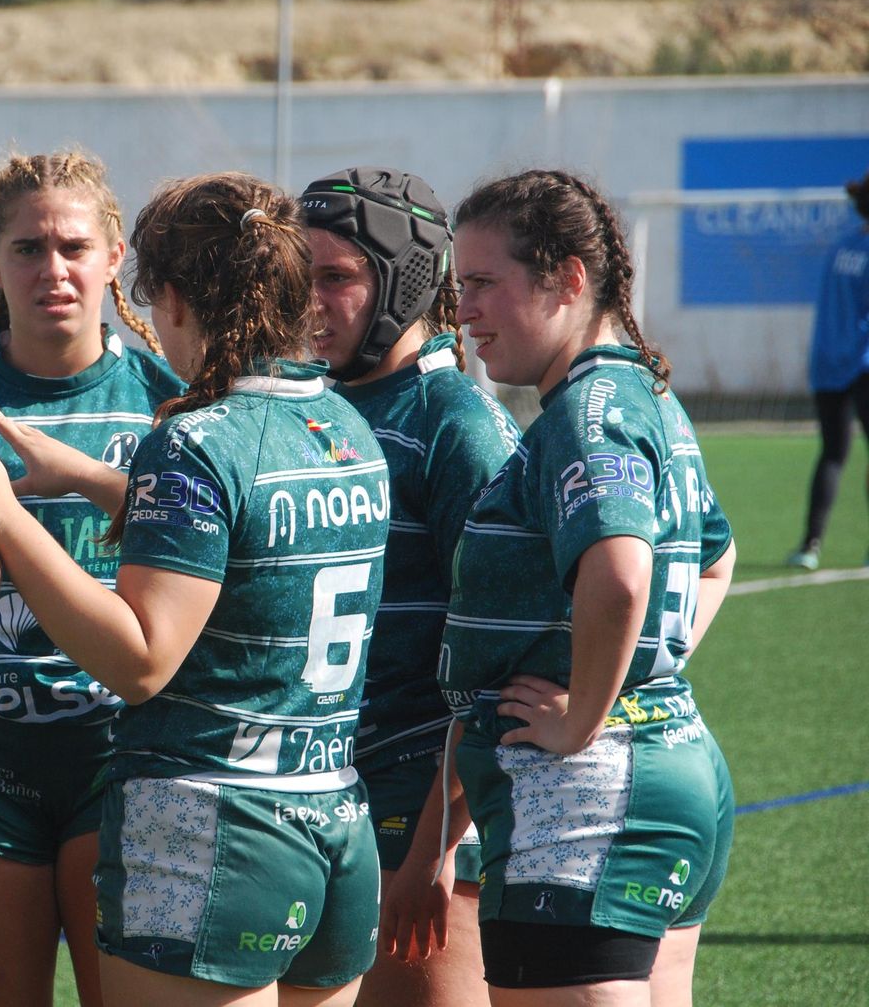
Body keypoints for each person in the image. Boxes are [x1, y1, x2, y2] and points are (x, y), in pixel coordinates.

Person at [0, 171, 388, 1007]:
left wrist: (5, 514)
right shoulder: (344, 424)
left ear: (172, 298)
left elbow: (140, 658)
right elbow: (240, 545)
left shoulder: (193, 436)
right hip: (331, 819)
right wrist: (94, 478)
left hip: (217, 828)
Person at [443, 169, 737, 1006]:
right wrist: (654, 665)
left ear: (568, 277)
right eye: (461, 286)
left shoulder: (586, 409)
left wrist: (584, 715)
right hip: (673, 761)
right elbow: (719, 556)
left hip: (588, 799)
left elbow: (617, 574)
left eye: (484, 283)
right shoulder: (647, 392)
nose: (466, 309)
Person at [0, 150, 183, 1007]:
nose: (53, 269)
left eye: (74, 246)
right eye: (28, 250)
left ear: (115, 257)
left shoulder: (174, 406)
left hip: (127, 749)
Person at [298, 167, 521, 1007]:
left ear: (406, 280)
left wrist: (436, 839)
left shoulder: (455, 424)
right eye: (300, 277)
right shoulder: (307, 406)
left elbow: (499, 653)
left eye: (336, 277)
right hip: (311, 796)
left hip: (413, 806)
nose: (311, 301)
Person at [787, 169, 869, 570]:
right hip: (862, 361)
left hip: (827, 360)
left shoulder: (841, 247)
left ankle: (810, 545)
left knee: (833, 453)